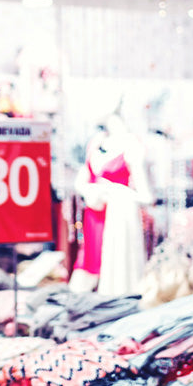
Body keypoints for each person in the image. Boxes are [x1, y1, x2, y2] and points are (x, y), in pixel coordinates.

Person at [69, 114, 153, 295]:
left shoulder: (131, 147)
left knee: (115, 269)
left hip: (118, 217)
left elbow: (145, 195)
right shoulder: (97, 145)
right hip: (94, 215)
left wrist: (115, 191)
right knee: (90, 263)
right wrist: (92, 191)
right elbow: (80, 181)